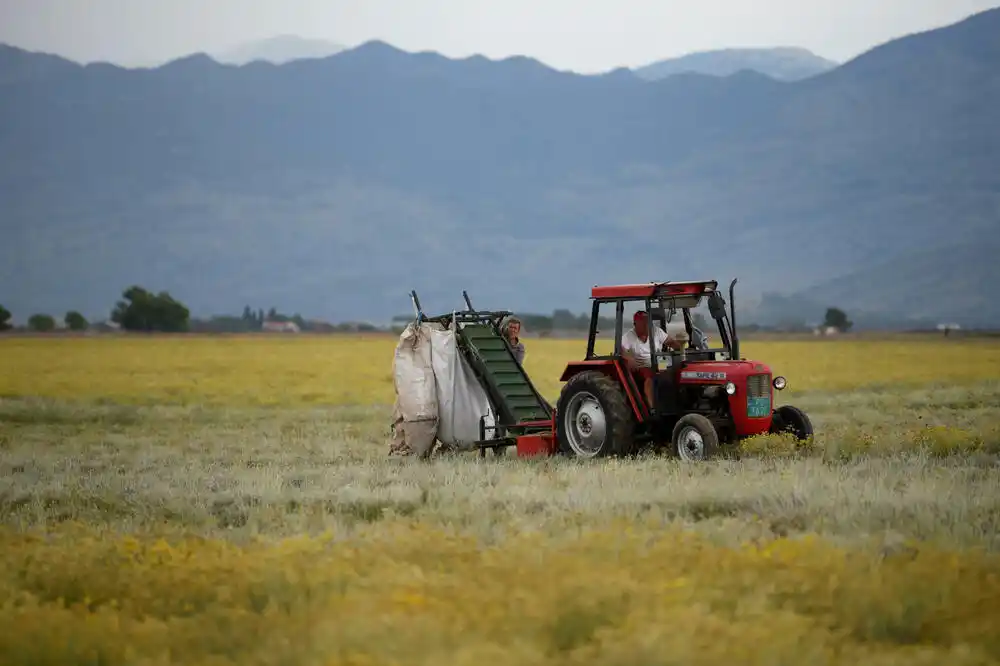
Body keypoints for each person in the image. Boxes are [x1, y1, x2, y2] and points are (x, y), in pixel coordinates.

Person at [621, 310, 686, 410]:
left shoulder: (656, 331)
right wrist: (629, 358)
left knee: (671, 372)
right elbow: (622, 350)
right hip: (642, 365)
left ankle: (675, 403)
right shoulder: (629, 336)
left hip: (659, 361)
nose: (646, 324)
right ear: (635, 324)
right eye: (643, 322)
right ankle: (652, 408)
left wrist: (681, 345)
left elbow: (671, 342)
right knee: (649, 376)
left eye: (647, 321)